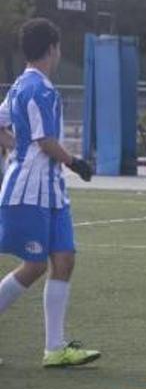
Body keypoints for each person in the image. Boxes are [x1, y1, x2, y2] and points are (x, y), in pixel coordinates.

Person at [0, 18, 99, 366]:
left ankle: (55, 349)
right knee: (35, 264)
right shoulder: (39, 89)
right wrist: (75, 162)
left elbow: (7, 129)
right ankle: (54, 347)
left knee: (64, 260)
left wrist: (16, 146)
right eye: (58, 48)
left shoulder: (20, 85)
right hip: (28, 192)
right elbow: (44, 141)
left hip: (52, 193)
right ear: (53, 48)